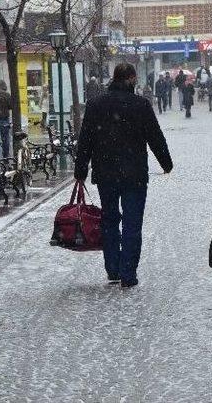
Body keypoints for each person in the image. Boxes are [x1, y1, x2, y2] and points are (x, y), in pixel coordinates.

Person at [74, 63, 173, 288]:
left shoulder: (96, 104)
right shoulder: (141, 105)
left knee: (109, 220)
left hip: (106, 173)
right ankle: (128, 272)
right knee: (132, 223)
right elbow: (155, 137)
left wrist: (80, 169)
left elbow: (86, 140)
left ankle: (113, 269)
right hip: (135, 174)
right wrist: (166, 163)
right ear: (130, 78)